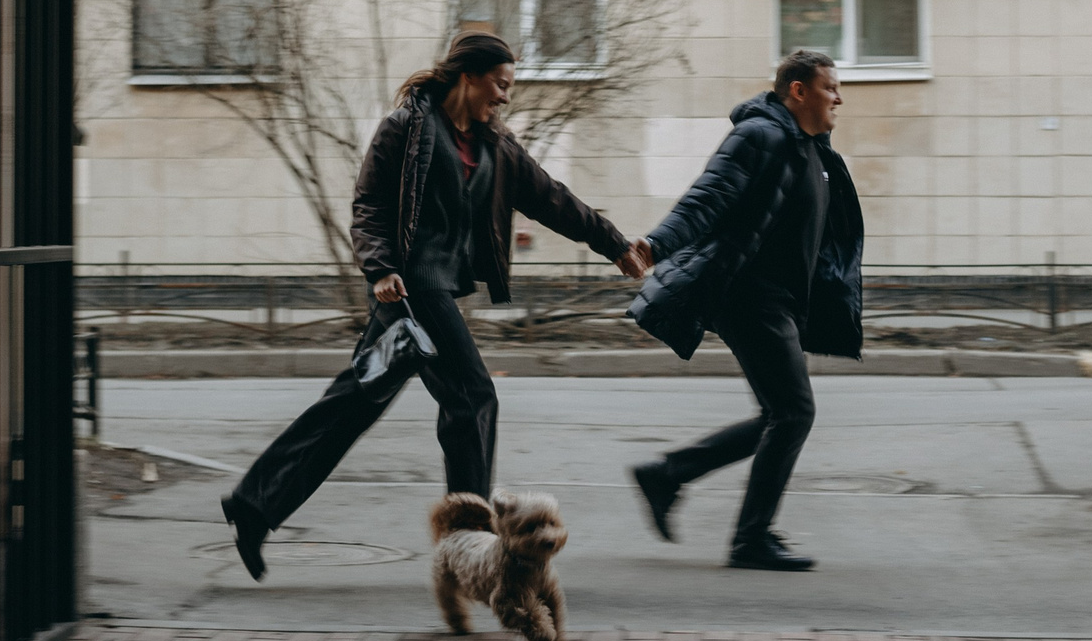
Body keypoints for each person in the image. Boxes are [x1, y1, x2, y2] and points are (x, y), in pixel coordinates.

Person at [219, 32, 646, 580]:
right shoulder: (409, 127)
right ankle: (470, 545)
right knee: (473, 398)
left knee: (352, 405)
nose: (505, 96)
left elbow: (552, 198)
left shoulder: (496, 144)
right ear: (468, 77)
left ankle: (254, 504)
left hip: (432, 292)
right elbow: (369, 203)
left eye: (509, 87)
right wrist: (380, 268)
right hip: (411, 289)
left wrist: (613, 244)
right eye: (499, 84)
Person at [621, 49, 863, 570]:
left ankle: (667, 475)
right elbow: (706, 200)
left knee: (780, 415)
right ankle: (750, 538)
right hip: (751, 297)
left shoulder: (810, 149)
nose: (839, 98)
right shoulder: (760, 135)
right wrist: (654, 245)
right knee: (794, 412)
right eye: (830, 87)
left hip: (777, 301)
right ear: (798, 91)